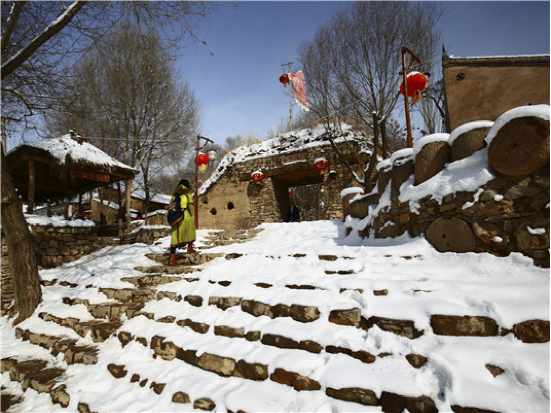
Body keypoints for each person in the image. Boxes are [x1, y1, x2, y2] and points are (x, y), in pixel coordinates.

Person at [167, 179, 196, 265]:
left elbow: (170, 205)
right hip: (184, 214)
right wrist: (190, 213)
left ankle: (172, 257)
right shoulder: (187, 192)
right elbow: (190, 204)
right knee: (190, 230)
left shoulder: (175, 193)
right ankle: (189, 248)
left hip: (175, 216)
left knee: (175, 236)